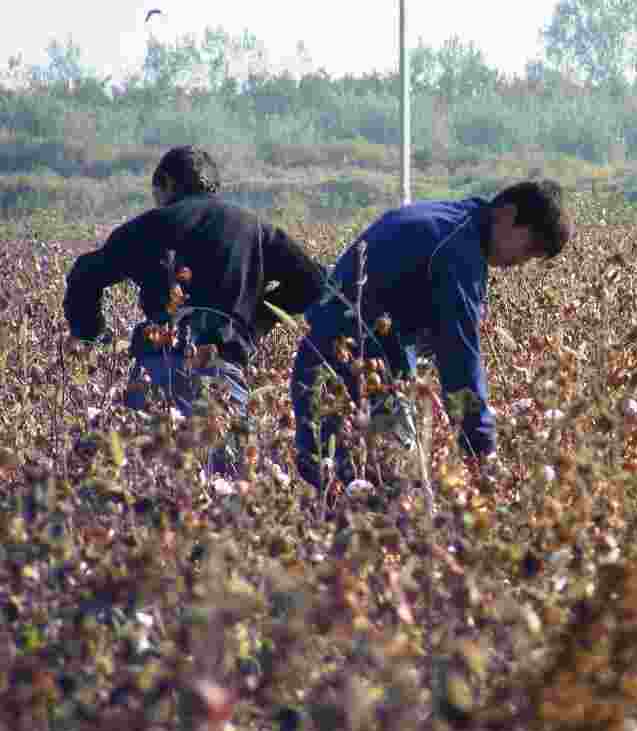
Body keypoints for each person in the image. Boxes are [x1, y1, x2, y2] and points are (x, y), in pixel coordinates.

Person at [291, 180, 575, 491]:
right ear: (507, 214)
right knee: (392, 494)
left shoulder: (448, 221)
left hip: (321, 362)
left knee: (333, 490)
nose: (522, 262)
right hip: (357, 373)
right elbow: (459, 356)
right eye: (529, 247)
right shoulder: (458, 251)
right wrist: (482, 451)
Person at [63, 145, 325, 426]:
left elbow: (84, 275)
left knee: (147, 467)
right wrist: (258, 320)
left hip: (155, 374)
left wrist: (94, 336)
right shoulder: (257, 230)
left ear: (166, 183)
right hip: (221, 376)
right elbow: (314, 283)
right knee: (223, 468)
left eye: (157, 193)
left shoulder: (150, 225)